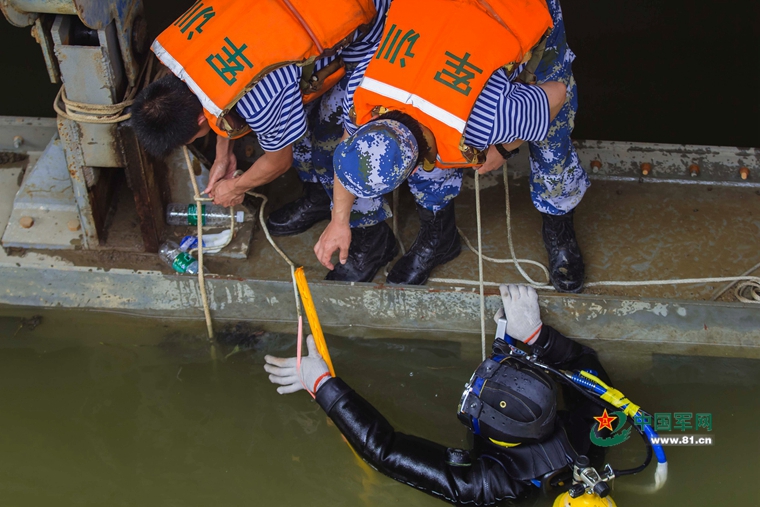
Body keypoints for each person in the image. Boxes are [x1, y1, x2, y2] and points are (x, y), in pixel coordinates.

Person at [314, 0, 589, 292]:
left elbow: (556, 96)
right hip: (446, 21)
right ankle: (441, 237)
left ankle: (558, 221)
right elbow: (351, 141)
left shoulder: (485, 118)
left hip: (520, 10)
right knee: (433, 156)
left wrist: (504, 149)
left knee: (551, 143)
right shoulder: (366, 86)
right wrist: (339, 221)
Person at [263, 284, 613, 505]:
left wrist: (322, 384)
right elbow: (592, 373)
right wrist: (538, 337)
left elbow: (385, 451)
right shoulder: (587, 433)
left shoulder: (486, 485)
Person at [131, 0, 390, 233]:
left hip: (374, 25)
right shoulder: (187, 48)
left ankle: (369, 233)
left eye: (192, 138)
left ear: (200, 122)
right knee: (291, 130)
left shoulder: (257, 102)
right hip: (299, 17)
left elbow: (279, 161)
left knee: (332, 138)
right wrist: (223, 156)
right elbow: (219, 90)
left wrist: (235, 187)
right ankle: (320, 197)